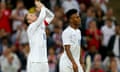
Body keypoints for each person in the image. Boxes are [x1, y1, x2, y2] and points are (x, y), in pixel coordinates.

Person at [24, 0, 54, 72]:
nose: (34, 14)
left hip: (44, 61)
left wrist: (43, 7)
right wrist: (41, 7)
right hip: (35, 62)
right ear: (29, 21)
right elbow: (42, 16)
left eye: (32, 14)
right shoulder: (31, 27)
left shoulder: (41, 24)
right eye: (31, 15)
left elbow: (51, 16)